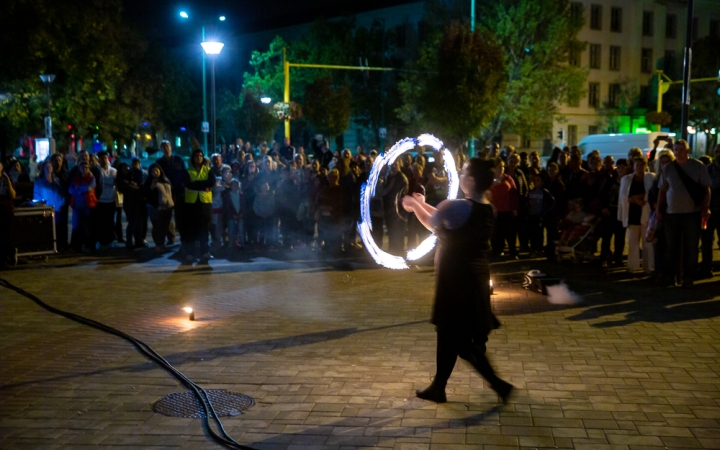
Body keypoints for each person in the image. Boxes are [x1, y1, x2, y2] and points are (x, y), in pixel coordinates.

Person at [401, 158, 514, 404]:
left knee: (454, 336)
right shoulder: (487, 208)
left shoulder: (458, 207)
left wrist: (413, 204)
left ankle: (494, 385)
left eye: (463, 173)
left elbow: (433, 223)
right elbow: (445, 216)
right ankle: (443, 387)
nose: (459, 175)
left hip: (456, 281)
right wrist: (423, 203)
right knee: (457, 339)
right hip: (475, 280)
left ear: (470, 180)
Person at [656, 140, 711, 288]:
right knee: (671, 246)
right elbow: (662, 190)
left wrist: (705, 208)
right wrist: (659, 210)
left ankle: (688, 277)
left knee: (691, 246)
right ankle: (670, 276)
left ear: (687, 150)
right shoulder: (668, 168)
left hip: (691, 213)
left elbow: (706, 189)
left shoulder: (698, 166)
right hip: (672, 213)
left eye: (680, 149)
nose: (678, 152)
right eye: (675, 149)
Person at [618, 158, 655, 273]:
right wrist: (634, 200)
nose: (639, 167)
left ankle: (648, 267)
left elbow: (652, 193)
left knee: (647, 242)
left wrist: (638, 197)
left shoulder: (651, 178)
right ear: (633, 166)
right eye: (637, 165)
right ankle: (633, 266)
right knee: (633, 241)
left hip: (646, 214)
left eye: (641, 165)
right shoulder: (627, 179)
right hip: (632, 214)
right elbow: (623, 196)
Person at [183, 149, 215, 263]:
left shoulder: (208, 170)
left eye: (201, 156)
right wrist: (203, 185)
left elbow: (211, 182)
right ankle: (190, 253)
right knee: (191, 229)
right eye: (196, 156)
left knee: (204, 229)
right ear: (193, 158)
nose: (199, 158)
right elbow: (188, 184)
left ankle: (204, 252)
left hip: (205, 203)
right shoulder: (187, 170)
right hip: (192, 204)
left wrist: (197, 184)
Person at [156, 141, 186, 247]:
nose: (166, 148)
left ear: (171, 147)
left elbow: (184, 174)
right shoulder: (159, 162)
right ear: (161, 149)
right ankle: (170, 237)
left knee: (180, 217)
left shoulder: (178, 160)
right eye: (163, 147)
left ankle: (183, 239)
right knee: (166, 217)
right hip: (166, 193)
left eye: (167, 146)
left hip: (178, 191)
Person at [598, 159, 627, 266]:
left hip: (621, 211)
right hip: (610, 211)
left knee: (620, 236)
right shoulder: (610, 180)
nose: (620, 170)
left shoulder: (628, 181)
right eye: (618, 167)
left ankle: (618, 257)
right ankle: (604, 256)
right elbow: (602, 194)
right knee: (606, 236)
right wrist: (604, 207)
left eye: (623, 167)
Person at [490, 157, 519, 259]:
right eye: (499, 167)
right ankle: (497, 251)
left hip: (506, 210)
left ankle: (513, 252)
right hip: (495, 210)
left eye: (502, 166)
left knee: (510, 233)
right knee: (496, 233)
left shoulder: (508, 178)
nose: (501, 169)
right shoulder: (489, 180)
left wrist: (514, 208)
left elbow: (513, 193)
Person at [700, 143, 720, 278]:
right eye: (716, 151)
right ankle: (706, 268)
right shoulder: (708, 169)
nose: (718, 154)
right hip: (709, 210)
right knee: (706, 242)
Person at [144, 164, 174, 253]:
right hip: (155, 207)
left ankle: (162, 243)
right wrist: (152, 187)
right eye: (153, 171)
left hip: (167, 207)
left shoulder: (166, 180)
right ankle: (158, 244)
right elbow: (147, 194)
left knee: (164, 226)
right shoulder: (149, 181)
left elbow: (171, 192)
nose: (155, 173)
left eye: (157, 171)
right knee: (157, 226)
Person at [69, 161, 97, 252]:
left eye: (86, 168)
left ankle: (88, 246)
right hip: (77, 206)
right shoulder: (76, 178)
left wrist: (78, 190)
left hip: (87, 205)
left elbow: (89, 188)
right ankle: (77, 246)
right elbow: (70, 189)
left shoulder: (92, 178)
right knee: (76, 226)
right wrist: (81, 190)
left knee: (87, 227)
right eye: (82, 167)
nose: (84, 169)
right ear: (79, 169)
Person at [526, 169, 555, 257]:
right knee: (532, 232)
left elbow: (552, 201)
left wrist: (545, 211)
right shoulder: (531, 191)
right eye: (534, 180)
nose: (535, 182)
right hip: (532, 215)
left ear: (542, 182)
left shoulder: (544, 192)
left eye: (538, 180)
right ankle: (533, 249)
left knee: (539, 233)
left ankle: (539, 249)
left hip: (539, 216)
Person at [94, 151, 118, 248]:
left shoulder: (113, 171)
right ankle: (100, 240)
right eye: (101, 158)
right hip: (100, 200)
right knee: (100, 222)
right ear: (98, 160)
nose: (103, 160)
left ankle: (110, 240)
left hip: (111, 199)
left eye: (105, 158)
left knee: (110, 222)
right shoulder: (96, 170)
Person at [0, 161, 17, 266]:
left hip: (6, 210)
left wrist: (8, 183)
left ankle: (10, 255)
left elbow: (13, 194)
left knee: (7, 235)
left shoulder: (7, 178)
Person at [223, 179, 244, 249]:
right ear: (231, 186)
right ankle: (231, 244)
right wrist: (232, 215)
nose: (234, 187)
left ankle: (242, 244)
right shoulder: (227, 195)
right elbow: (227, 207)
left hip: (240, 215)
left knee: (241, 229)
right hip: (231, 216)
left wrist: (241, 214)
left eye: (236, 185)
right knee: (231, 230)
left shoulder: (241, 195)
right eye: (233, 185)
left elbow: (243, 205)